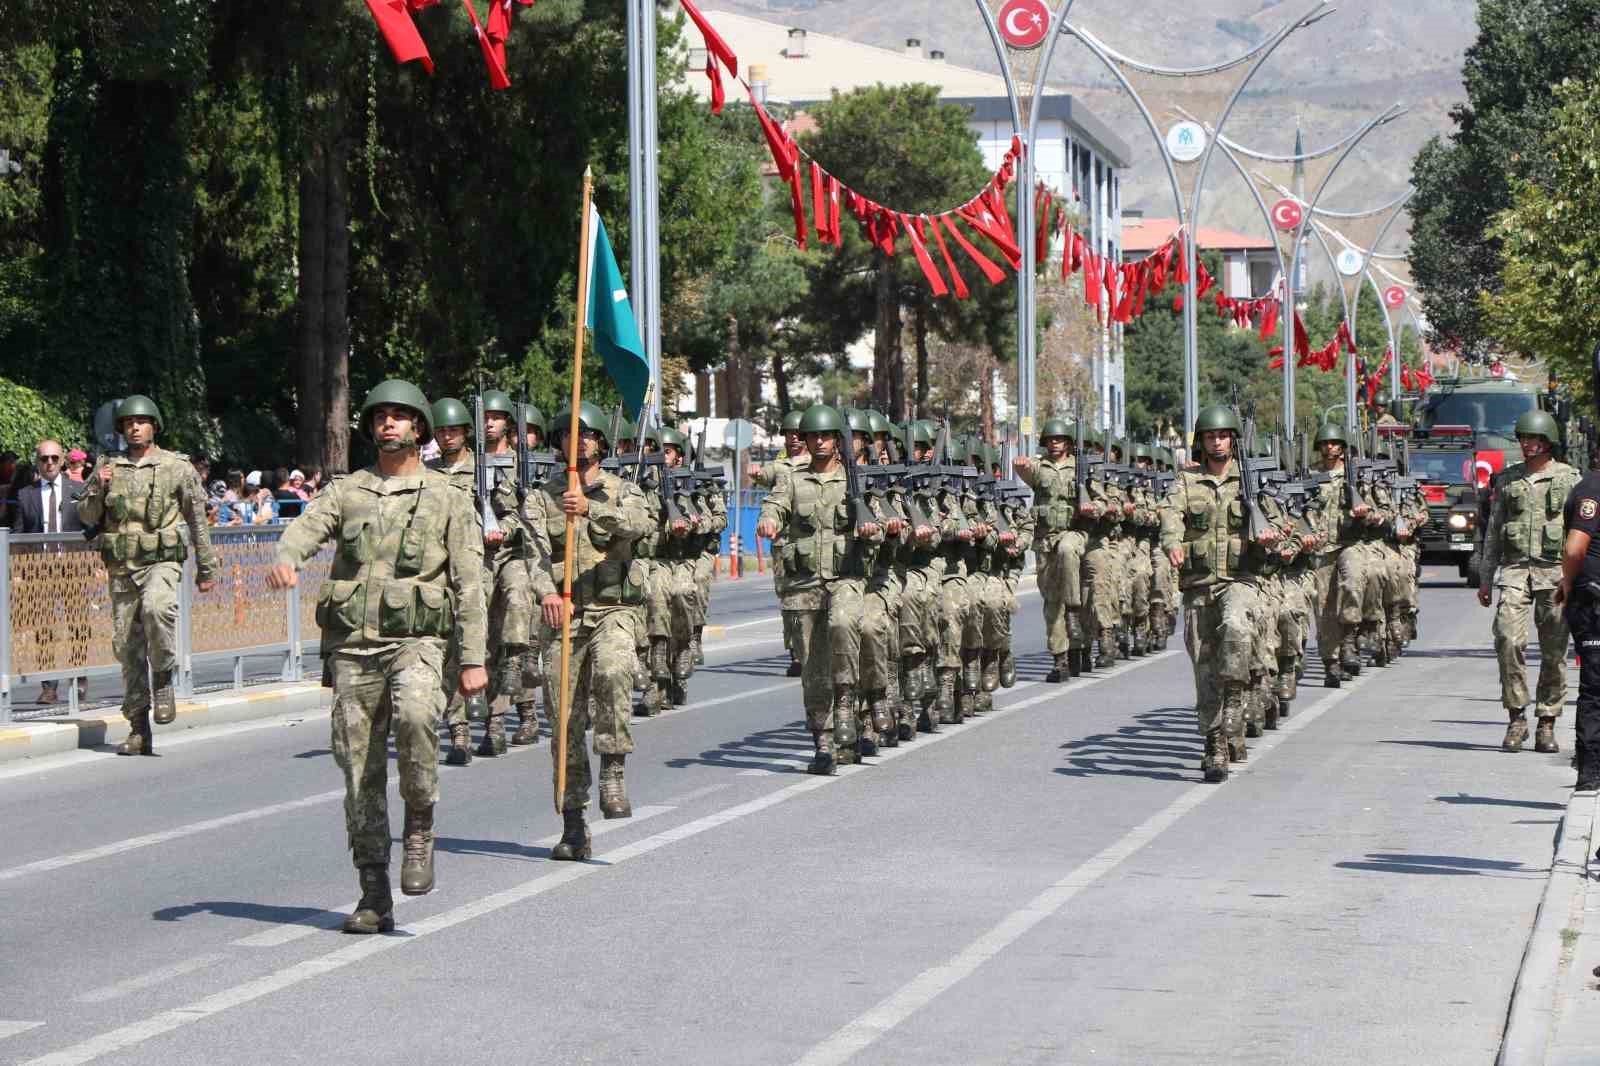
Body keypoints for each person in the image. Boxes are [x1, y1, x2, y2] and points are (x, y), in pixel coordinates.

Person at [267, 380, 487, 933]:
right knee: (357, 771)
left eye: (400, 416)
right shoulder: (349, 492)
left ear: (420, 429)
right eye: (381, 416)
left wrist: (473, 658)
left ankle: (419, 821)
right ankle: (372, 891)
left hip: (416, 642)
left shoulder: (448, 498)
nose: (389, 424)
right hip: (353, 649)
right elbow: (305, 529)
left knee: (417, 717)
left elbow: (468, 583)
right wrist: (286, 556)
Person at [522, 401, 652, 857]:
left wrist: (592, 511)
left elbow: (641, 526)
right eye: (566, 436)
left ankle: (614, 767)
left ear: (600, 442)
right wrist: (546, 593)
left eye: (585, 435)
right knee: (563, 723)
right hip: (565, 618)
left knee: (616, 672)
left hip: (611, 609)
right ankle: (573, 821)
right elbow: (534, 555)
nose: (575, 443)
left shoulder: (623, 490)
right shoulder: (541, 497)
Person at [77, 395, 218, 755]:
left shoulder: (176, 467)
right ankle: (138, 728)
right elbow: (88, 517)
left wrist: (206, 568)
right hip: (122, 568)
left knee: (158, 610)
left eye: (141, 422)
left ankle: (164, 675)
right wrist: (98, 484)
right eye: (128, 423)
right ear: (121, 429)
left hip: (161, 562)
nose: (134, 428)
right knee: (127, 647)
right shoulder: (109, 467)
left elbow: (198, 520)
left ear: (154, 425)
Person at [757, 404, 885, 773]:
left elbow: (889, 519)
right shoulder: (793, 478)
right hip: (804, 583)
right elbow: (774, 506)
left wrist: (876, 528)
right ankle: (824, 742)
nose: (819, 441)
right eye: (813, 436)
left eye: (826, 435)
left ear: (838, 440)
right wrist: (768, 522)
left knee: (845, 625)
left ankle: (847, 701)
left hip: (846, 577)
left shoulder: (857, 480)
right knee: (813, 667)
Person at [1158, 406, 1280, 782]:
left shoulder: (1251, 482)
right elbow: (1169, 516)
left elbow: (1277, 520)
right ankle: (1215, 744)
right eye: (1211, 436)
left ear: (1233, 440)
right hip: (1198, 585)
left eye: (1224, 435)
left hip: (1240, 580)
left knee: (1236, 628)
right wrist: (1172, 544)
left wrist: (1272, 535)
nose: (1217, 441)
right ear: (1201, 442)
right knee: (1205, 667)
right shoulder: (1186, 482)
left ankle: (1234, 701)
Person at [1479, 410, 1581, 754]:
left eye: (1534, 439)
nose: (1527, 444)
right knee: (1507, 640)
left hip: (1555, 575)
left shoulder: (1569, 480)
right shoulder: (1507, 481)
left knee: (1554, 651)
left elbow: (1581, 533)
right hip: (1515, 572)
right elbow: (1493, 532)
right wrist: (1484, 578)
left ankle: (1547, 721)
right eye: (1523, 438)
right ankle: (1516, 718)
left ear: (1548, 442)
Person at [425, 397, 483, 766]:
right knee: (446, 651)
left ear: (466, 433)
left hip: (484, 567)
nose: (447, 437)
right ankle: (457, 730)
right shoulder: (426, 474)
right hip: (438, 573)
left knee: (482, 647)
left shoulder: (486, 470)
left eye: (454, 430)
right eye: (441, 431)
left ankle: (495, 720)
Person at [17, 440, 89, 704]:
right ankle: (49, 686)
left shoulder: (78, 490)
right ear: (37, 462)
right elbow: (19, 534)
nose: (49, 463)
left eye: (54, 459)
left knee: (78, 625)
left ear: (62, 462)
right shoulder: (26, 494)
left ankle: (79, 677)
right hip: (40, 568)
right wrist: (17, 569)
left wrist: (93, 564)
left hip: (73, 567)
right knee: (43, 628)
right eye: (44, 459)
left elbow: (91, 527)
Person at [1015, 418, 1084, 682]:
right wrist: (1019, 466)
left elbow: (1098, 497)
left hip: (1072, 534)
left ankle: (1076, 613)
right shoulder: (1039, 467)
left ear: (1068, 442)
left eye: (1060, 439)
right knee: (1052, 603)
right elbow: (1025, 472)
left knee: (1068, 551)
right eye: (1051, 440)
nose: (1055, 443)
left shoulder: (1079, 468)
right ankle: (1061, 660)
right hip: (1044, 540)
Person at [1557, 465, 1600, 790]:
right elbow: (1576, 547)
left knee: (1594, 688)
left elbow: (1572, 550)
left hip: (1589, 597)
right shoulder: (1592, 491)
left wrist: (1567, 582)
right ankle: (1589, 772)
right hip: (1593, 600)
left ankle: (1589, 772)